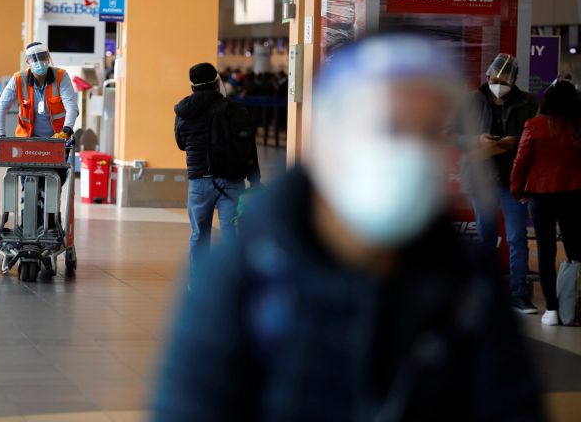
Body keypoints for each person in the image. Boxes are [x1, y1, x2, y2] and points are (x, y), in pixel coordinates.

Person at [154, 35, 545, 421]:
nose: (410, 151)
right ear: (332, 137)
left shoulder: (468, 287)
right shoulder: (245, 279)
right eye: (387, 127)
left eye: (429, 132)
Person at [458, 53, 538, 314]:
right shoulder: (472, 100)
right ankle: (486, 294)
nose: (499, 82)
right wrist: (476, 141)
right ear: (488, 75)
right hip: (482, 178)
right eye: (496, 77)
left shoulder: (527, 102)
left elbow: (533, 136)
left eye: (506, 79)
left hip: (514, 180)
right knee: (486, 237)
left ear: (514, 80)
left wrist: (515, 142)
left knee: (517, 238)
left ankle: (520, 293)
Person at [174, 62, 260, 280]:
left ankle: (197, 281)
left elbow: (181, 143)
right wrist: (255, 179)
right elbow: (247, 144)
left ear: (192, 86)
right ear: (216, 83)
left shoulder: (183, 112)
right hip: (230, 181)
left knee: (199, 234)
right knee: (232, 232)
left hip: (198, 182)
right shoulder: (234, 109)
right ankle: (233, 283)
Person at [511, 80, 581, 326]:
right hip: (574, 195)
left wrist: (517, 190)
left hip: (540, 196)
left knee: (546, 251)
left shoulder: (534, 125)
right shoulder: (578, 126)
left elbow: (521, 162)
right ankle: (570, 307)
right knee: (574, 252)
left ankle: (551, 309)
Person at [0, 42, 78, 227]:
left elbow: (72, 107)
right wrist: (0, 137)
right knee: (30, 184)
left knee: (53, 183)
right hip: (27, 144)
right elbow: (0, 109)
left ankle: (50, 225)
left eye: (43, 57)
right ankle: (28, 225)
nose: (40, 62)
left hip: (56, 143)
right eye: (35, 59)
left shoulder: (61, 77)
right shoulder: (18, 79)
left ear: (48, 57)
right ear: (28, 62)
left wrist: (66, 130)